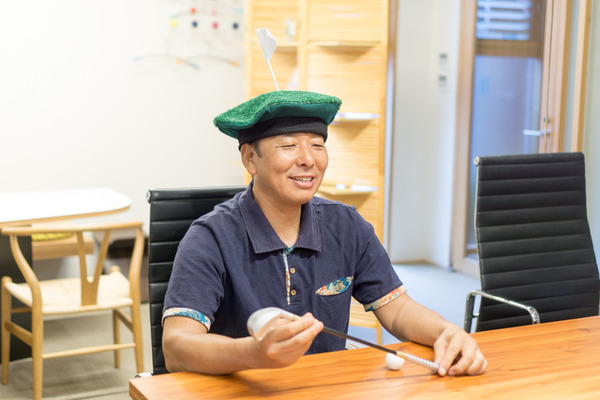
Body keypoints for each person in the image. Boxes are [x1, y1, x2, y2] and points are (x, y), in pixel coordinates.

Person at [161, 90, 487, 377]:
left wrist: (446, 332)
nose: (308, 160)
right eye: (289, 146)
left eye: (317, 145)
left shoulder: (347, 225)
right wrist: (252, 354)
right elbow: (177, 347)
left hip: (327, 386)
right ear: (250, 158)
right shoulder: (210, 237)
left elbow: (398, 309)